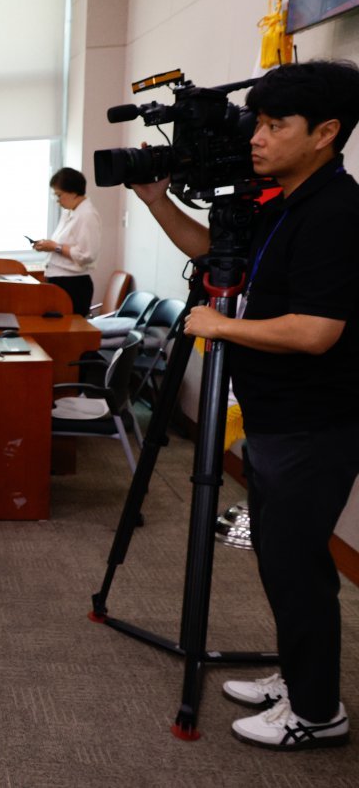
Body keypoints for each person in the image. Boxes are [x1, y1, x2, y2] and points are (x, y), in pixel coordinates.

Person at [133, 60, 359, 750]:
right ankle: (302, 675)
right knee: (284, 559)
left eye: (274, 125)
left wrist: (220, 325)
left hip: (312, 422)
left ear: (325, 132)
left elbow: (317, 332)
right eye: (256, 121)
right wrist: (155, 200)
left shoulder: (336, 213)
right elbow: (213, 254)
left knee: (294, 566)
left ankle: (318, 714)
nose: (256, 138)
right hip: (279, 416)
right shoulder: (288, 200)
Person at [31, 167, 100, 316]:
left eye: (59, 195)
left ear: (73, 192)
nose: (57, 201)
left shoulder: (87, 215)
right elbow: (63, 244)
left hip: (73, 284)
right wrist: (47, 246)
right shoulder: (70, 212)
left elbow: (87, 255)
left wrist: (55, 247)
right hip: (58, 281)